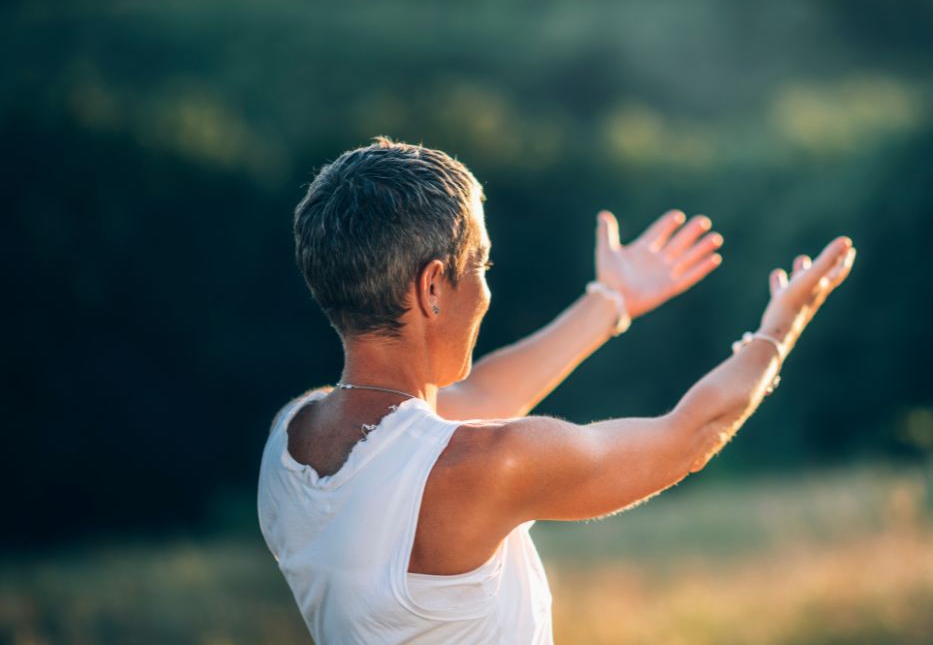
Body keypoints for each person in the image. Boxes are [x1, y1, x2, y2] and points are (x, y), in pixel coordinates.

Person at [257, 136, 856, 644]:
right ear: (434, 286)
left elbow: (479, 396)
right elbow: (687, 437)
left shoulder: (291, 437)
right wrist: (781, 327)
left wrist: (611, 302)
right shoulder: (484, 467)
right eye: (481, 267)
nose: (487, 292)